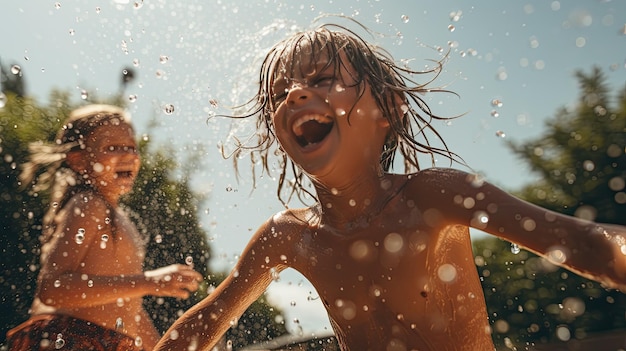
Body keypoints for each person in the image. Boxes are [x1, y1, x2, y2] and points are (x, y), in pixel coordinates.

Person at [154, 22, 626, 351]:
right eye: (280, 95)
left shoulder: (433, 197)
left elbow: (582, 242)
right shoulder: (289, 236)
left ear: (389, 109)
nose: (296, 94)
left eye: (322, 79)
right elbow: (204, 322)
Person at [6, 104, 203, 351]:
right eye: (112, 147)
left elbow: (127, 305)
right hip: (69, 339)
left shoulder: (119, 218)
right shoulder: (89, 205)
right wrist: (149, 282)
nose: (128, 155)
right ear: (78, 161)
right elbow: (52, 288)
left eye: (132, 147)